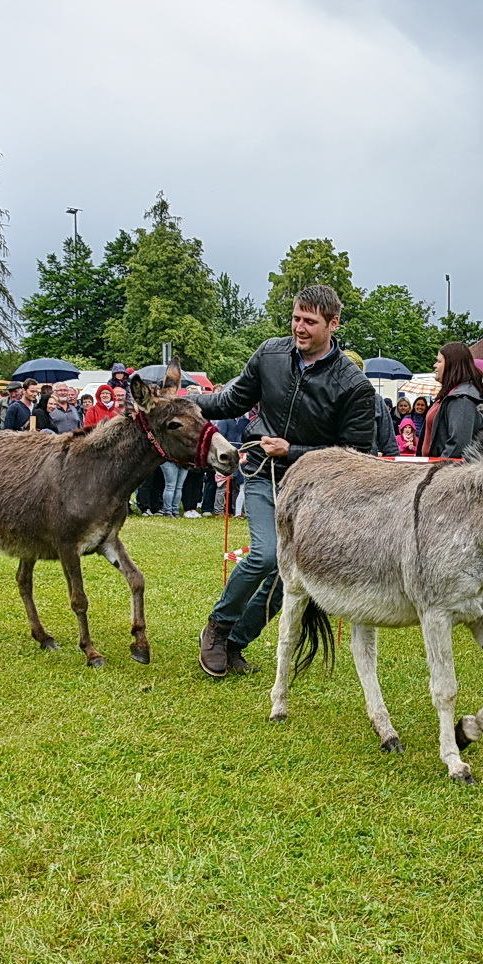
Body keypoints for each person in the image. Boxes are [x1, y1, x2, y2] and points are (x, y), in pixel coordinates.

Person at [194, 285, 375, 677]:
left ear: (333, 324)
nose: (299, 327)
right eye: (296, 318)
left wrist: (292, 451)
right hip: (262, 473)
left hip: (315, 493)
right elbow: (230, 402)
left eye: (310, 321)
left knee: (290, 575)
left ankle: (235, 642)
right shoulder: (270, 354)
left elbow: (357, 456)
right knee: (265, 555)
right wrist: (187, 402)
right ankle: (217, 628)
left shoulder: (354, 385)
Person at [424, 342, 483, 460]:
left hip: (447, 473)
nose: (435, 365)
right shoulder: (452, 394)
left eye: (439, 361)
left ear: (451, 365)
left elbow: (458, 445)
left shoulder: (462, 399)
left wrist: (436, 471)